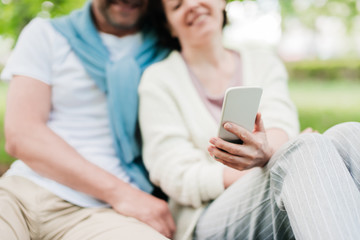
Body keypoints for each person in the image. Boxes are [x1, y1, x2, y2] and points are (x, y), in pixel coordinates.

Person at [138, 0, 360, 239]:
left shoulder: (262, 61)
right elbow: (176, 175)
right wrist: (278, 158)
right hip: (207, 214)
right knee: (302, 150)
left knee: (349, 133)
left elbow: (281, 125)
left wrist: (271, 152)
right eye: (177, 5)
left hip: (274, 181)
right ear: (169, 25)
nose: (192, 5)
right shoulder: (158, 80)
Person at [0, 0, 176, 239]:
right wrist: (124, 195)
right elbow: (22, 135)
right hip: (22, 192)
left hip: (102, 213)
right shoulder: (46, 33)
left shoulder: (169, 48)